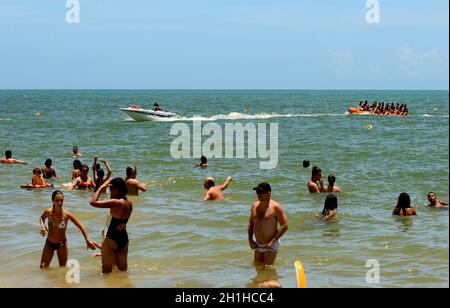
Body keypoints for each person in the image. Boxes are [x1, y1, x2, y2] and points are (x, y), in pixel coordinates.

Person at [39, 191, 96, 268]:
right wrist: (42, 226)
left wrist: (87, 240)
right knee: (43, 267)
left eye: (61, 200)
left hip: (62, 244)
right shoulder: (48, 212)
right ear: (53, 201)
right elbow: (41, 218)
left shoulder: (66, 215)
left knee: (62, 269)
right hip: (49, 243)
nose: (59, 202)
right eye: (57, 200)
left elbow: (80, 225)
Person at [90, 178, 133, 274]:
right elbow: (123, 221)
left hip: (111, 239)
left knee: (106, 273)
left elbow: (93, 202)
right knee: (123, 271)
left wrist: (101, 187)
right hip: (123, 239)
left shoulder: (116, 202)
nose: (110, 192)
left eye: (111, 189)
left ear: (117, 189)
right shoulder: (129, 203)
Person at [248, 182, 288, 267]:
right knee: (258, 267)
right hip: (258, 243)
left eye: (261, 193)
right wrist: (250, 239)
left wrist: (272, 242)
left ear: (268, 193)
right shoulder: (254, 206)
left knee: (268, 269)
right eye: (257, 192)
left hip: (271, 243)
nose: (258, 195)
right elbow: (250, 223)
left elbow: (285, 226)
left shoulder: (276, 207)